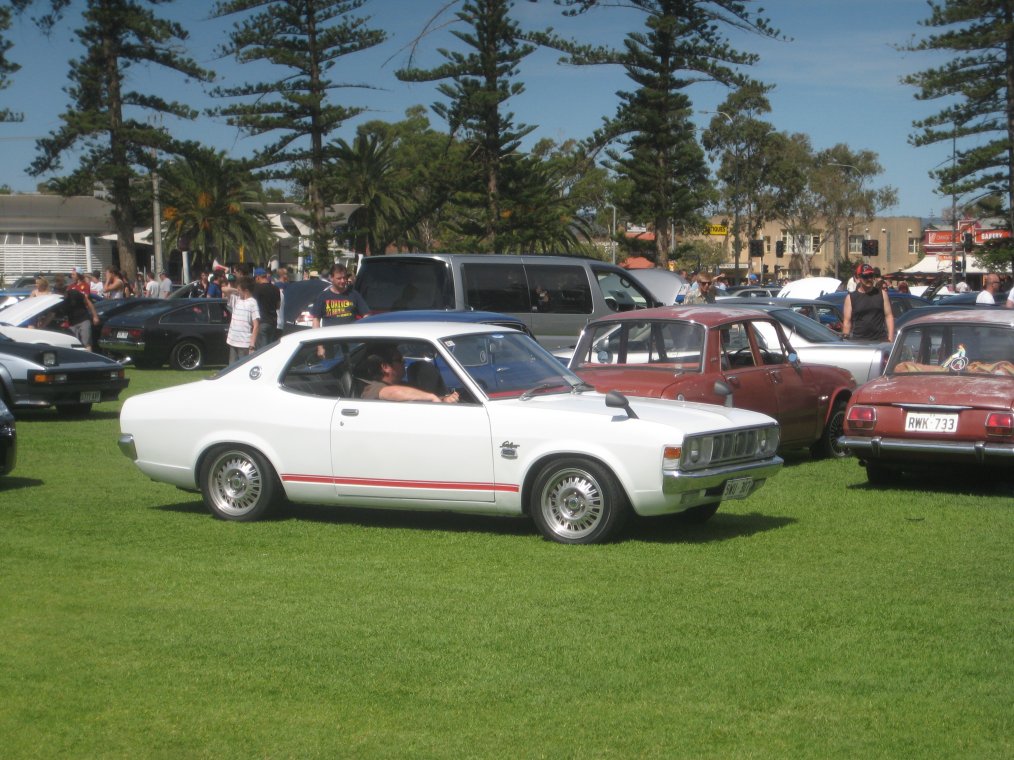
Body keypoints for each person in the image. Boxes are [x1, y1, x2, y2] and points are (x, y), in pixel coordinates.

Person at [360, 345, 459, 403]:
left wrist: (444, 400)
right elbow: (391, 392)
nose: (404, 363)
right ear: (385, 367)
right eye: (400, 360)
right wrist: (431, 397)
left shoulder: (402, 385)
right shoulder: (372, 388)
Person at [843, 263, 894, 342]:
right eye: (865, 276)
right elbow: (847, 321)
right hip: (858, 342)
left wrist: (890, 339)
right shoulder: (850, 298)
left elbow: (889, 316)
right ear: (859, 277)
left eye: (871, 275)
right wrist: (845, 342)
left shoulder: (882, 294)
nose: (869, 279)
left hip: (880, 341)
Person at [310, 263, 369, 328]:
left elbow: (366, 315)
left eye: (344, 277)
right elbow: (316, 320)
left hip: (350, 336)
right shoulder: (323, 297)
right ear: (331, 278)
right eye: (339, 278)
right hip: (330, 337)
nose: (343, 281)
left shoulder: (354, 295)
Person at [225, 276, 260, 363]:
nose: (238, 292)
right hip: (233, 340)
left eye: (239, 290)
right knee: (231, 368)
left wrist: (252, 344)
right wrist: (237, 290)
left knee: (243, 367)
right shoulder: (236, 299)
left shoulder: (253, 303)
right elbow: (224, 289)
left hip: (244, 343)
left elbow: (256, 325)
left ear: (246, 291)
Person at [61, 282, 100, 348]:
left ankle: (89, 356)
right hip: (72, 323)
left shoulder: (74, 293)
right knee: (73, 344)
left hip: (83, 319)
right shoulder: (60, 300)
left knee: (86, 343)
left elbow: (88, 302)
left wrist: (95, 316)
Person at [252, 267, 280, 348]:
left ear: (258, 277)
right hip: (273, 322)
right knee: (270, 348)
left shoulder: (257, 289)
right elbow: (278, 306)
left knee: (262, 351)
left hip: (262, 322)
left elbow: (253, 305)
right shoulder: (276, 288)